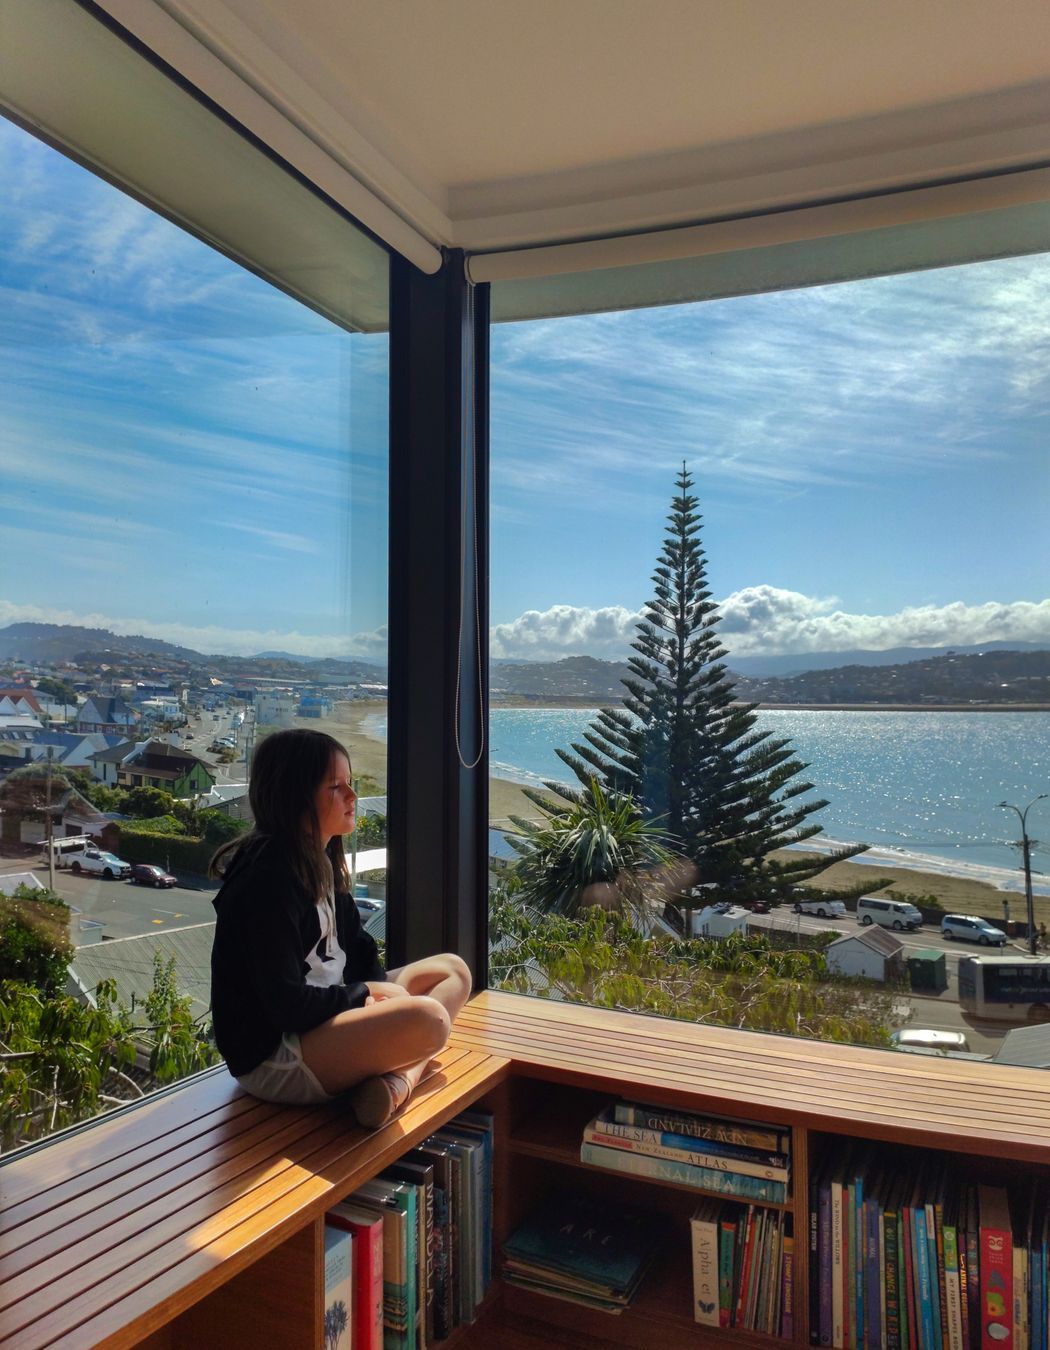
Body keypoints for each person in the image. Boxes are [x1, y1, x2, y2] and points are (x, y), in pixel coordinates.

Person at [209, 727, 471, 1128]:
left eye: (350, 783)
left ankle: (392, 1082)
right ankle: (399, 1081)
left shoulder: (321, 860)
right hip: (277, 1054)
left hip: (324, 1018)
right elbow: (286, 1006)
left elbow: (359, 952)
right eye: (336, 787)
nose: (352, 796)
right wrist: (364, 996)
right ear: (294, 797)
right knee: (430, 1019)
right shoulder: (266, 881)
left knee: (454, 970)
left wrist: (376, 997)